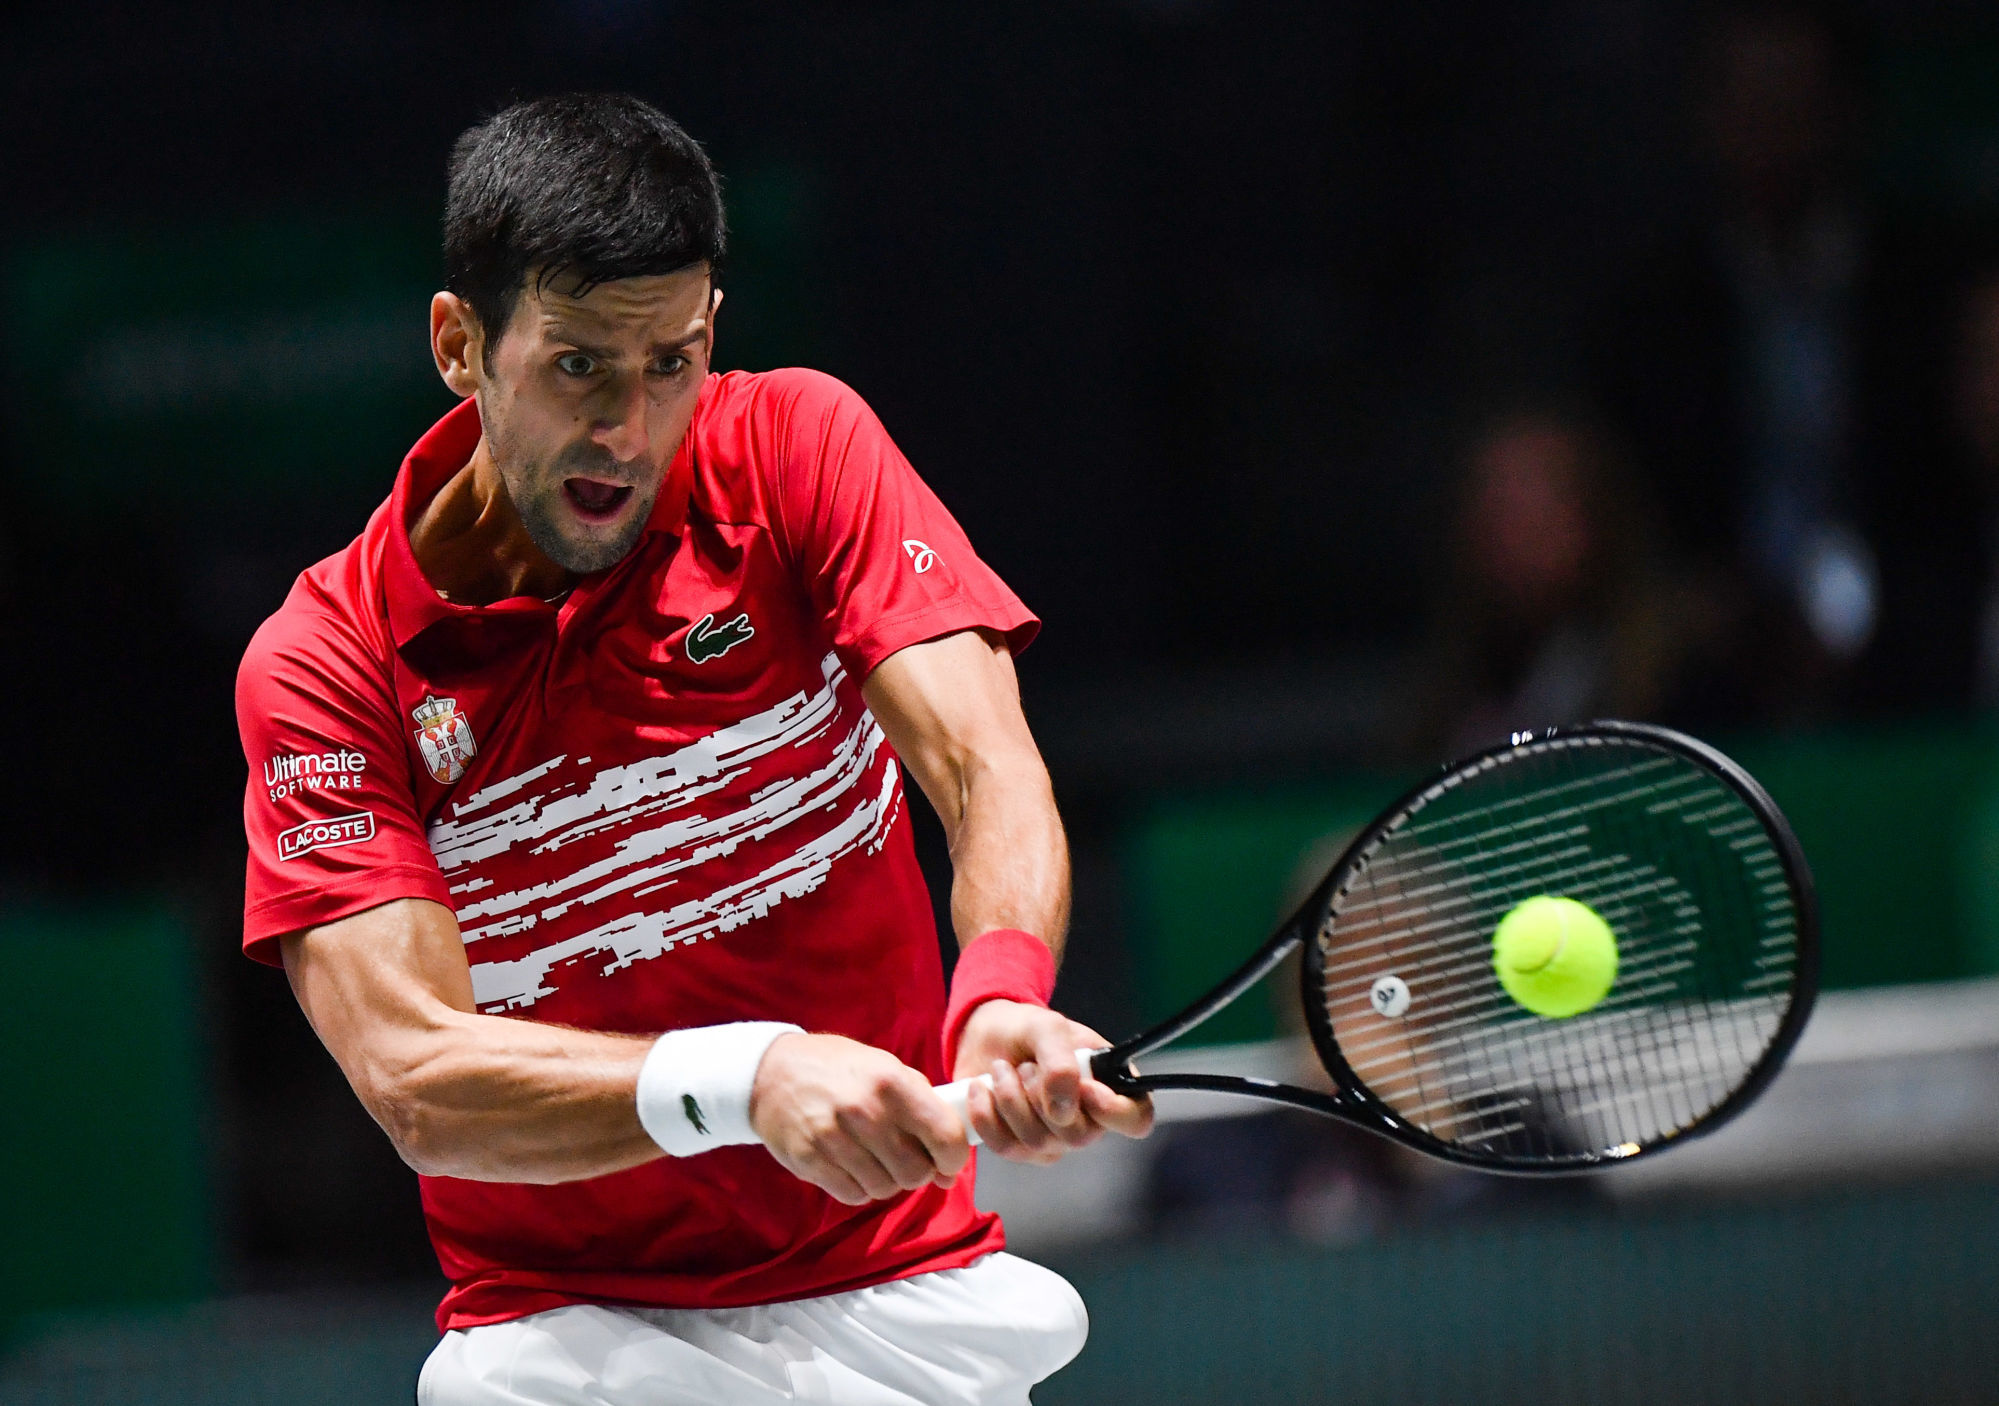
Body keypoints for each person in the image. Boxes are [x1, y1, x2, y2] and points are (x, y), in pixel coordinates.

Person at [233, 93, 1150, 1406]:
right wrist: (748, 1076)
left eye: (671, 362)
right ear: (459, 342)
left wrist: (999, 988)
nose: (628, 428)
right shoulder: (330, 664)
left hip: (905, 1301)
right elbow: (418, 1077)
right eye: (579, 366)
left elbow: (981, 760)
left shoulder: (795, 450)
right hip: (572, 1344)